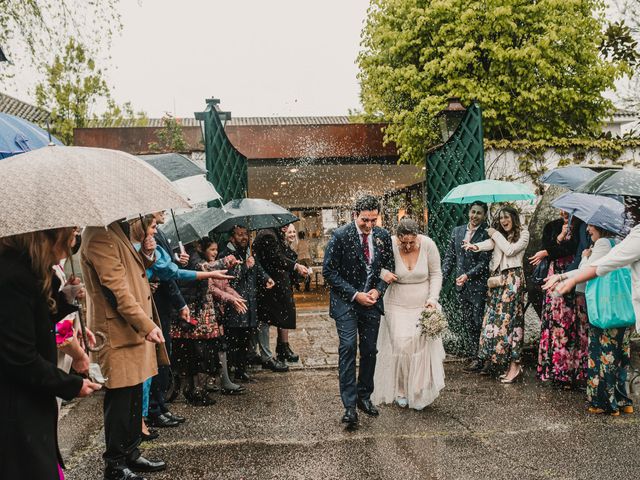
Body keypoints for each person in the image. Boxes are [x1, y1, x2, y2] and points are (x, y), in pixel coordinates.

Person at [0, 228, 101, 479]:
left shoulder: (31, 271)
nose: (74, 239)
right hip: (16, 407)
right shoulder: (13, 276)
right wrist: (70, 384)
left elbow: (37, 317)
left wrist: (63, 297)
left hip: (29, 402)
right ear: (49, 235)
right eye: (72, 232)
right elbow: (20, 356)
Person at [81, 220, 168, 480]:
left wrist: (147, 253)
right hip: (117, 330)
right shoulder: (98, 234)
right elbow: (115, 288)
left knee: (132, 394)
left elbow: (133, 271)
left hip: (129, 328)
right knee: (120, 398)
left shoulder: (114, 230)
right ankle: (116, 464)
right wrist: (145, 324)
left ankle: (130, 453)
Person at [322, 195, 395, 427]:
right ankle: (349, 406)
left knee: (370, 350)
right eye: (365, 220)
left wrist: (378, 290)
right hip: (346, 302)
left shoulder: (383, 236)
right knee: (348, 347)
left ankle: (364, 397)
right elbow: (329, 272)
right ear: (355, 215)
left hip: (371, 303)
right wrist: (356, 295)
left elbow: (388, 268)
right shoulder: (340, 236)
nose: (369, 225)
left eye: (374, 220)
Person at [546, 225, 633, 415]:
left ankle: (604, 402)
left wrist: (585, 256)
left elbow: (586, 270)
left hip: (605, 308)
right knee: (621, 354)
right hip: (622, 307)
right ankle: (622, 400)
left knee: (602, 353)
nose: (587, 228)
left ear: (602, 226)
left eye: (591, 224)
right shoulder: (623, 243)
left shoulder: (602, 243)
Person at [373, 218, 445, 410]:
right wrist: (383, 274)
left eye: (411, 242)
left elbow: (436, 273)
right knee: (401, 345)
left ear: (418, 237)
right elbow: (374, 267)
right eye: (402, 242)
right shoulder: (389, 244)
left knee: (419, 345)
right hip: (395, 303)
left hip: (422, 304)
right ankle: (402, 389)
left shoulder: (428, 244)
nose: (407, 246)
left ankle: (418, 386)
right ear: (397, 238)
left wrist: (433, 299)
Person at [464, 206, 530, 383]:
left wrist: (494, 233)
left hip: (512, 280)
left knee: (510, 322)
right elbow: (491, 244)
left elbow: (509, 250)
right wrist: (475, 246)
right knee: (494, 323)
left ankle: (515, 365)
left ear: (514, 218)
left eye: (507, 217)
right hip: (498, 281)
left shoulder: (524, 234)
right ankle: (509, 364)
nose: (503, 221)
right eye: (501, 218)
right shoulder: (500, 235)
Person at [531, 211, 586, 387]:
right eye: (563, 209)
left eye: (569, 210)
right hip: (555, 276)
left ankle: (573, 372)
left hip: (573, 275)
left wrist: (548, 251)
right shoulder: (552, 226)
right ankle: (557, 371)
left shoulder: (581, 226)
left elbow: (574, 249)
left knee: (573, 323)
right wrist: (560, 237)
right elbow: (550, 250)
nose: (565, 213)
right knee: (555, 324)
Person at [218, 225, 276, 380]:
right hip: (235, 302)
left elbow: (257, 268)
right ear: (232, 237)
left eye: (246, 234)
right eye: (239, 234)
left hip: (250, 302)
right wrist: (244, 267)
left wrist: (266, 278)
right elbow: (227, 278)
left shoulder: (249, 252)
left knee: (246, 338)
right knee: (234, 339)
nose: (244, 237)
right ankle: (231, 373)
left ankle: (241, 371)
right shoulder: (226, 254)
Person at [441, 201, 492, 370]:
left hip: (478, 286)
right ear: (468, 212)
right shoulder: (458, 231)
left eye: (479, 213)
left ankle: (481, 357)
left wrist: (468, 275)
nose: (475, 216)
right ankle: (473, 355)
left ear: (484, 216)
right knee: (468, 322)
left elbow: (484, 263)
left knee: (478, 322)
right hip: (461, 287)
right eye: (473, 212)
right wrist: (440, 279)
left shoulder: (486, 234)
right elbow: (450, 258)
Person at [253, 224, 309, 370]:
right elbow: (276, 258)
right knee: (265, 319)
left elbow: (282, 255)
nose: (287, 228)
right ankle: (267, 356)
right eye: (284, 225)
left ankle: (280, 349)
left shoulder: (272, 233)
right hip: (270, 284)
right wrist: (295, 266)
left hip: (275, 282)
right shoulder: (268, 235)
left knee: (279, 316)